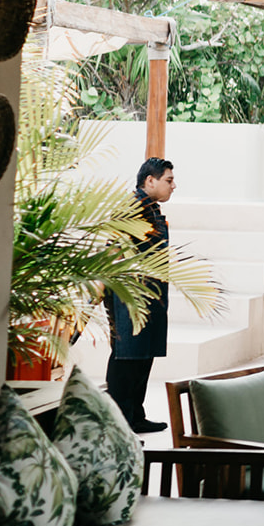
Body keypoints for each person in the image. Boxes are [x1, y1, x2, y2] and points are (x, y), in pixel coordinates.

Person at [106, 157, 176, 433]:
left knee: (144, 356)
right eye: (168, 180)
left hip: (152, 294)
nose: (173, 186)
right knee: (127, 357)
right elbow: (113, 252)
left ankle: (135, 415)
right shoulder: (130, 209)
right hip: (129, 295)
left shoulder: (152, 210)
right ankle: (119, 422)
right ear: (150, 181)